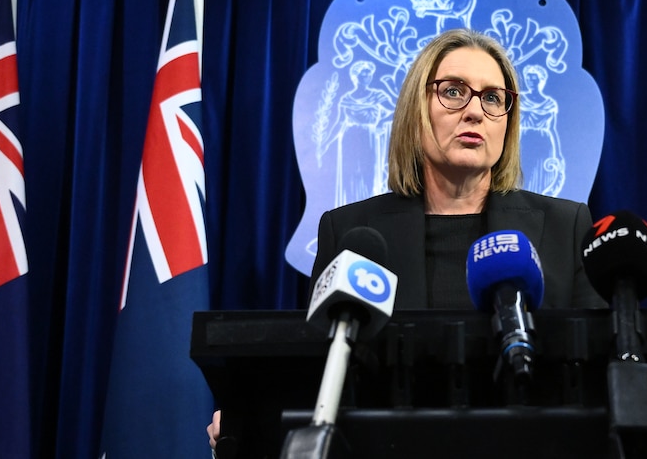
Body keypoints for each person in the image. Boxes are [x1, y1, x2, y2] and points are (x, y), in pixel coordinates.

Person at [207, 27, 605, 449]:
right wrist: (250, 424)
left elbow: (599, 377)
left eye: (492, 98)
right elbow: (322, 378)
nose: (474, 112)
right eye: (454, 91)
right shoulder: (351, 234)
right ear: (417, 109)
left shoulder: (566, 227)